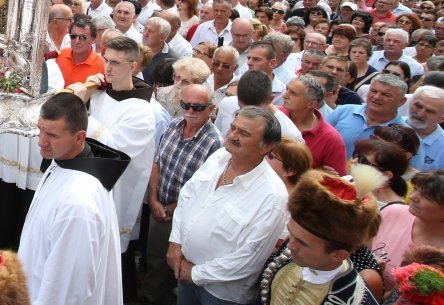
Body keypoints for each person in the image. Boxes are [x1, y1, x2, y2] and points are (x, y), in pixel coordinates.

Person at [168, 106, 288, 305]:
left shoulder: (272, 196)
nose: (232, 135)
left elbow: (249, 259)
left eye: (244, 133)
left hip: (221, 294)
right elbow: (187, 196)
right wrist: (175, 243)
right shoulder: (219, 157)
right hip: (185, 272)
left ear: (266, 146)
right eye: (233, 127)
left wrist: (196, 274)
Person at [17, 92, 128, 305]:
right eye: (40, 130)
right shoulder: (62, 160)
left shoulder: (79, 202)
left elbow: (67, 289)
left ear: (79, 138)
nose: (41, 142)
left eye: (52, 135)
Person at [74, 36, 156, 255]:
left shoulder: (142, 111)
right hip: (85, 178)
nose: (107, 68)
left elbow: (115, 148)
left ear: (133, 66)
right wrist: (89, 94)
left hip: (113, 187)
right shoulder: (100, 91)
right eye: (106, 60)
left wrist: (80, 109)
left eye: (115, 63)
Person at [142, 82, 223, 305]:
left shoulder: (215, 143)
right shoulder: (174, 125)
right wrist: (153, 199)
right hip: (159, 206)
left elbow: (206, 191)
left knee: (175, 267)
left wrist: (171, 208)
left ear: (211, 108)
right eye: (185, 105)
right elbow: (157, 163)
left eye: (197, 107)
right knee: (155, 261)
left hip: (185, 217)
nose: (190, 111)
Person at [259, 169, 382, 305]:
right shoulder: (287, 258)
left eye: (302, 242)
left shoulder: (357, 300)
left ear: (338, 255)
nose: (290, 245)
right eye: (291, 234)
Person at [369, 170, 444, 296]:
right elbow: (359, 248)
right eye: (415, 189)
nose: (412, 197)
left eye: (425, 196)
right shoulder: (392, 212)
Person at [326, 73, 408, 158]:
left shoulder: (404, 134)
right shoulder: (343, 111)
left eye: (386, 95)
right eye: (373, 91)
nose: (376, 97)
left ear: (401, 101)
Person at [281, 75, 348, 175]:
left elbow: (338, 182)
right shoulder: (275, 117)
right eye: (287, 89)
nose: (284, 95)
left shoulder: (331, 139)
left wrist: (317, 175)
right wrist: (315, 172)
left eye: (293, 93)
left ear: (311, 104)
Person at [405, 85, 444, 171]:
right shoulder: (388, 123)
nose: (420, 114)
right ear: (410, 103)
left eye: (430, 111)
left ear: (442, 118)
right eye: (418, 106)